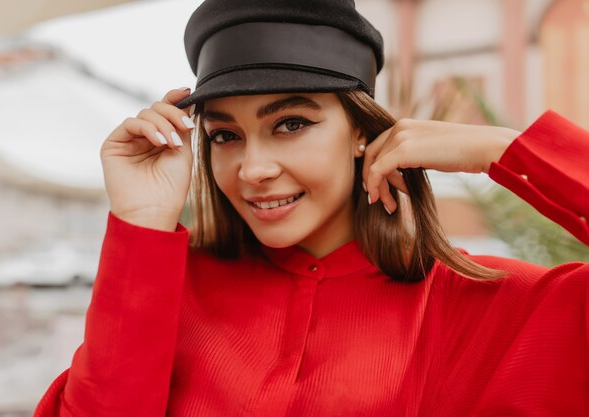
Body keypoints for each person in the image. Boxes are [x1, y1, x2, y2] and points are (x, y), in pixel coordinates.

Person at [34, 0, 589, 415]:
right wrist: (140, 225)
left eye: (290, 124)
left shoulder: (497, 308)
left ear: (359, 131)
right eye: (225, 135)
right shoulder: (165, 296)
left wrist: (505, 151)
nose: (252, 170)